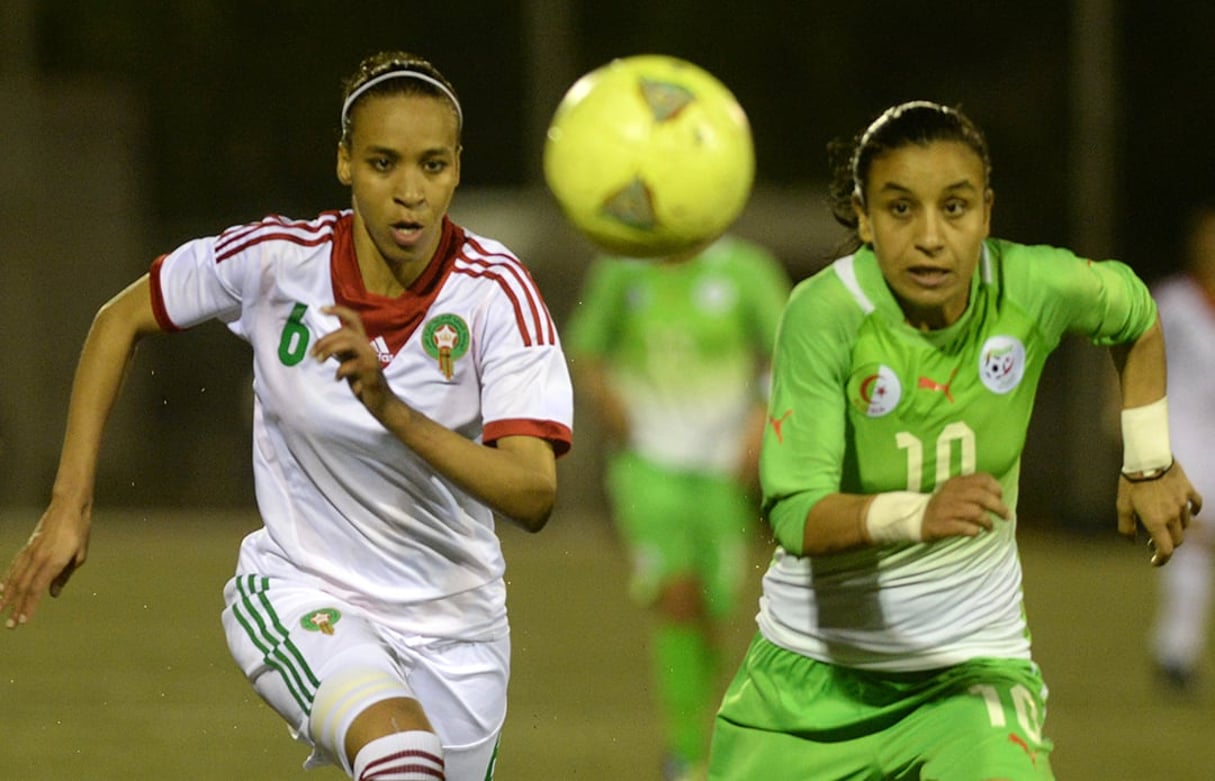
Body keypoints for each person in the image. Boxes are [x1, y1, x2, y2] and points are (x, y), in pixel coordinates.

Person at [0, 51, 573, 781]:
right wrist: (69, 503)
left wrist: (390, 409)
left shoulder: (498, 294)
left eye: (432, 166)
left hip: (457, 631)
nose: (409, 192)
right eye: (382, 162)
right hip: (305, 593)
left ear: (457, 168)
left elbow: (533, 494)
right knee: (403, 760)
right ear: (343, 163)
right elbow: (119, 319)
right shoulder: (275, 261)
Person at [705, 101, 1201, 780]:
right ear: (863, 216)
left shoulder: (1031, 286)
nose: (930, 236)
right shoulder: (826, 314)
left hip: (968, 674)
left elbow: (1134, 313)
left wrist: (1147, 461)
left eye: (955, 207)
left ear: (986, 213)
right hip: (810, 677)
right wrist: (917, 512)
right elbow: (796, 515)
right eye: (900, 208)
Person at [564, 236, 791, 780]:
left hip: (721, 469)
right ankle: (684, 754)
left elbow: (788, 350)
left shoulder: (746, 268)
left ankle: (704, 732)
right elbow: (588, 346)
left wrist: (762, 418)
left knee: (712, 610)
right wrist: (606, 396)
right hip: (647, 466)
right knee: (677, 596)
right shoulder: (621, 269)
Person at [1149, 201, 1215, 694]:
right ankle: (1176, 653)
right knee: (1191, 545)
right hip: (1185, 439)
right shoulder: (1172, 301)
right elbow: (1136, 358)